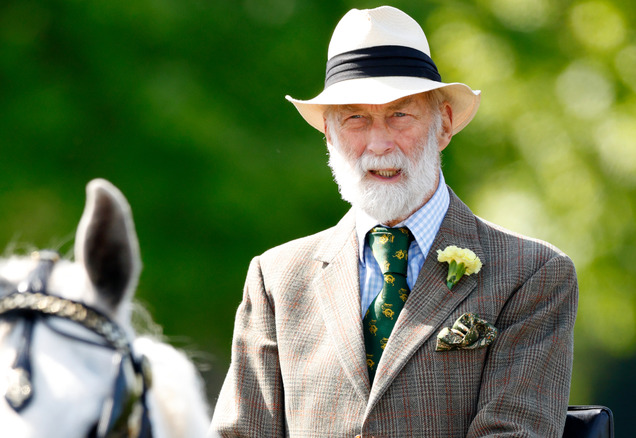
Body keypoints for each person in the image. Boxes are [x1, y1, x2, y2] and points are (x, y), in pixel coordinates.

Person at [209, 6, 577, 438]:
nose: (379, 144)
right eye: (355, 118)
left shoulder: (532, 273)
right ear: (328, 134)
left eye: (400, 115)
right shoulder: (275, 278)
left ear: (444, 124)